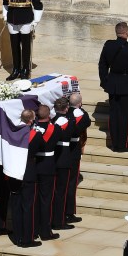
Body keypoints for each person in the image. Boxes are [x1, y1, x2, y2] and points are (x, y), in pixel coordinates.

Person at [98, 21, 128, 153]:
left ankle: (114, 143)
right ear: (127, 33)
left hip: (112, 83)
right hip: (127, 84)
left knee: (114, 114)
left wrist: (104, 81)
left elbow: (102, 65)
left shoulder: (108, 45)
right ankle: (122, 145)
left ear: (117, 33)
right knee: (125, 116)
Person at [12, 109, 41, 248]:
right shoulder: (34, 135)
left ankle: (17, 236)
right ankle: (27, 238)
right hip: (28, 173)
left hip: (14, 173)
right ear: (31, 120)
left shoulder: (13, 132)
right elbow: (40, 147)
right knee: (28, 207)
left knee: (17, 207)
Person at [33, 104, 60, 242]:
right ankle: (45, 231)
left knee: (34, 200)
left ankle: (34, 229)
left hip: (34, 165)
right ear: (49, 115)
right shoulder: (54, 128)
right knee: (46, 201)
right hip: (48, 166)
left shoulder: (32, 128)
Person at [50, 97, 77, 230]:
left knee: (56, 191)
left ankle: (54, 218)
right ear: (66, 108)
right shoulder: (67, 121)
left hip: (54, 157)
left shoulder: (53, 120)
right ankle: (59, 221)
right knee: (61, 192)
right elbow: (73, 131)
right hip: (64, 157)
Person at [64, 92, 90, 225]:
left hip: (62, 152)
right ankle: (68, 212)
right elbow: (87, 120)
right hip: (73, 151)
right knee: (71, 182)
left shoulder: (63, 114)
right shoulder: (81, 116)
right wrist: (79, 107)